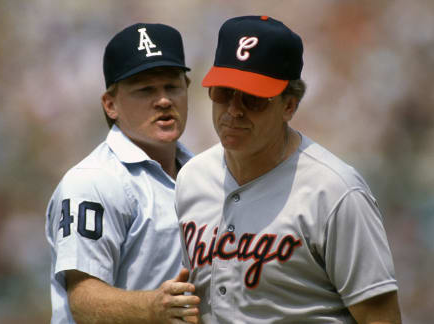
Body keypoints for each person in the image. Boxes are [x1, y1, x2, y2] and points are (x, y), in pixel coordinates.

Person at [175, 15, 402, 323]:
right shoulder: (191, 178)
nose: (234, 110)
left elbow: (381, 319)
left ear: (289, 106)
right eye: (223, 92)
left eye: (253, 99)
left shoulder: (335, 192)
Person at [45, 22, 200, 324]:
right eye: (145, 90)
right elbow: (84, 300)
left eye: (172, 86)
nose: (164, 100)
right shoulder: (93, 181)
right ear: (110, 104)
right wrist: (153, 307)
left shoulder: (205, 174)